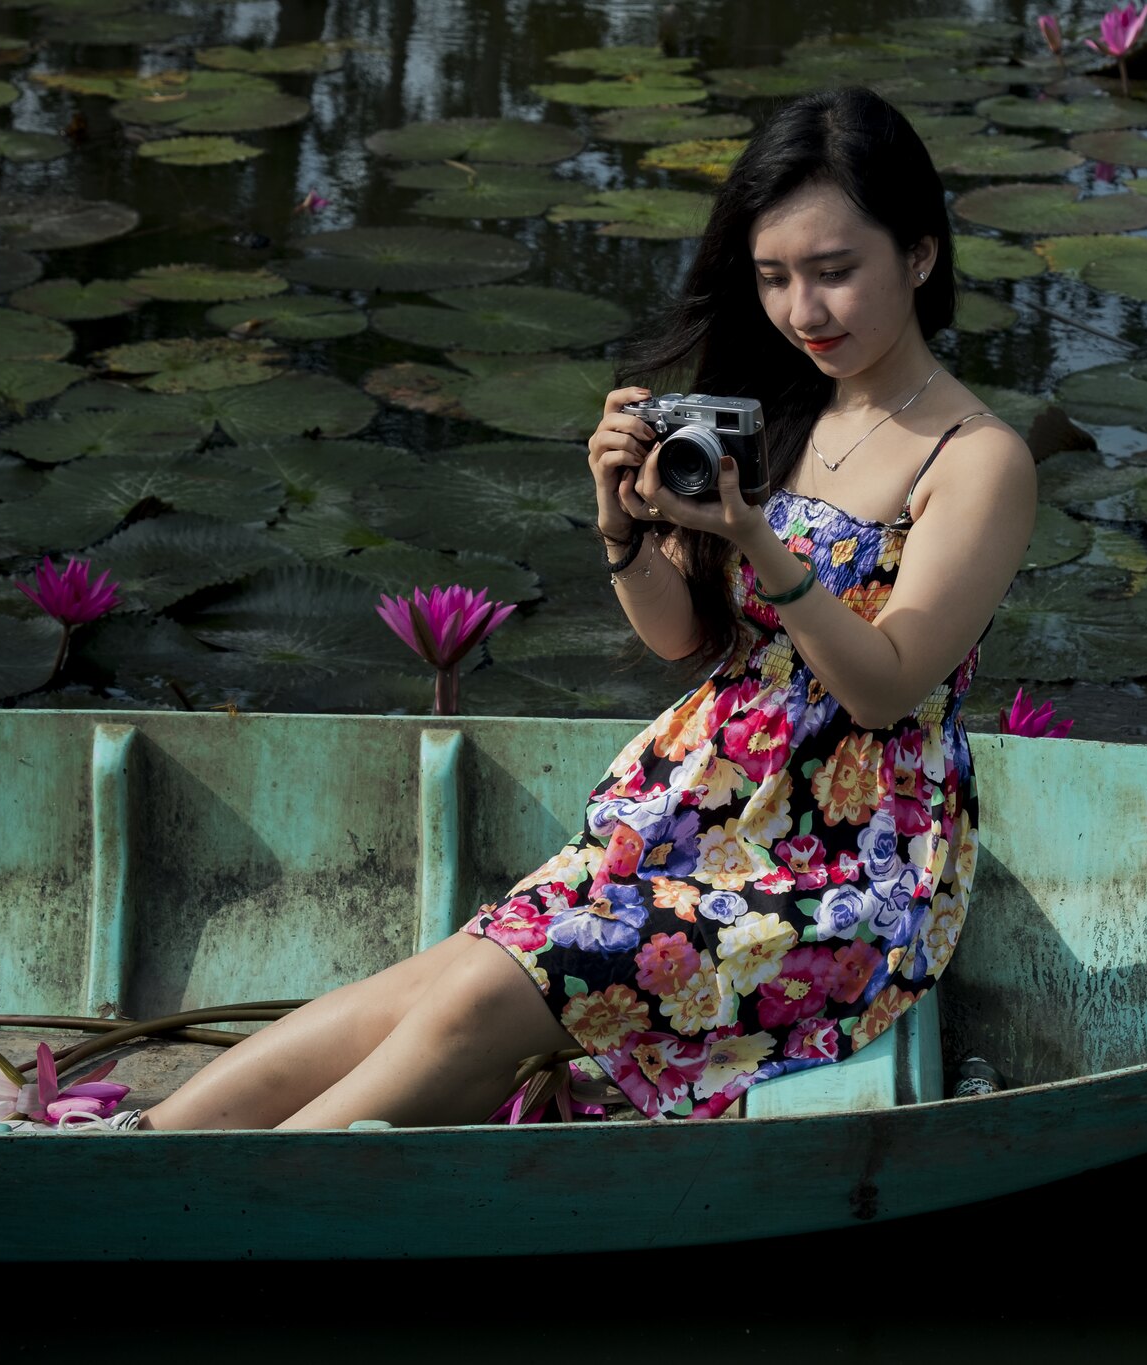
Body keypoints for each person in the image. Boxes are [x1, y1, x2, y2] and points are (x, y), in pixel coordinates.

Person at [125, 85, 1034, 1130]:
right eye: (774, 278)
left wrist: (755, 543)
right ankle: (140, 1150)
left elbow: (881, 691)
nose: (802, 313)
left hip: (845, 874)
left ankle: (219, 1211)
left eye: (835, 273)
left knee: (488, 985)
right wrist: (622, 525)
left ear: (918, 256)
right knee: (448, 972)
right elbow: (685, 640)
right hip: (693, 820)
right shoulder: (773, 409)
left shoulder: (976, 461)